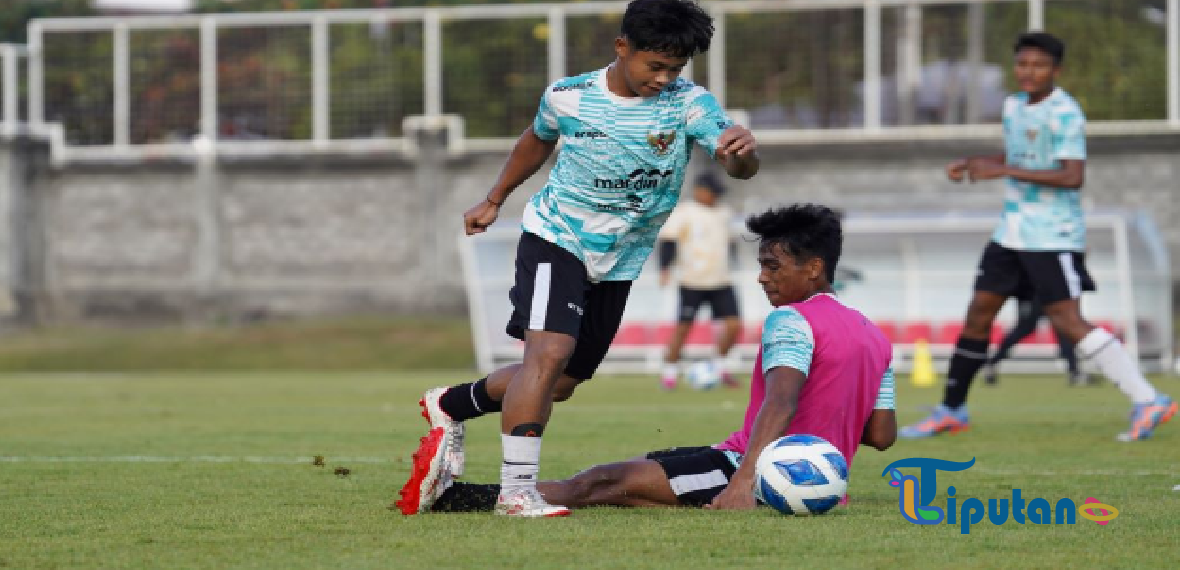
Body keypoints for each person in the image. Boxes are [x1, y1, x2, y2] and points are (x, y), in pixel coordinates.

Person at [397, 0, 760, 517]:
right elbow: (536, 139)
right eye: (655, 65)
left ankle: (450, 403)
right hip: (557, 237)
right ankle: (517, 494)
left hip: (620, 258)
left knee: (560, 382)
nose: (664, 78)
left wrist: (742, 155)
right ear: (622, 46)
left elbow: (735, 162)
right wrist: (495, 199)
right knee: (547, 356)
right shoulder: (567, 96)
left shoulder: (690, 103)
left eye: (675, 67)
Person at [407, 204, 895, 514]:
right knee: (644, 470)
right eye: (761, 265)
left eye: (773, 266)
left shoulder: (792, 320)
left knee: (601, 482)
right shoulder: (876, 336)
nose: (762, 278)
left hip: (754, 474)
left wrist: (744, 481)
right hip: (813, 480)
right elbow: (880, 435)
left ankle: (454, 498)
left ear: (814, 268)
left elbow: (782, 402)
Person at [901, 32, 1174, 442]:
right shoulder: (1013, 106)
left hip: (1052, 235)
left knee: (1068, 321)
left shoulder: (1066, 113)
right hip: (1011, 232)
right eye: (1023, 64)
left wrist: (1004, 171)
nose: (1029, 72)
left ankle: (1149, 399)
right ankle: (951, 409)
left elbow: (1071, 175)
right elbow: (1020, 159)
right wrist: (979, 162)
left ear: (1056, 71)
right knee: (979, 314)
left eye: (1039, 65)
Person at [656, 172, 741, 389]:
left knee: (734, 325)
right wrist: (664, 268)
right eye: (713, 193)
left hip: (721, 279)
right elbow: (669, 241)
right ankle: (669, 373)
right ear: (700, 190)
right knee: (683, 327)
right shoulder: (685, 212)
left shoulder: (724, 213)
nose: (715, 197)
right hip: (692, 280)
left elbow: (730, 242)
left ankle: (719, 366)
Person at [982, 296, 1094, 387]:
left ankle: (1074, 371)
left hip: (1051, 293)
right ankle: (992, 363)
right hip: (1031, 294)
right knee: (1024, 329)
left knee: (1063, 329)